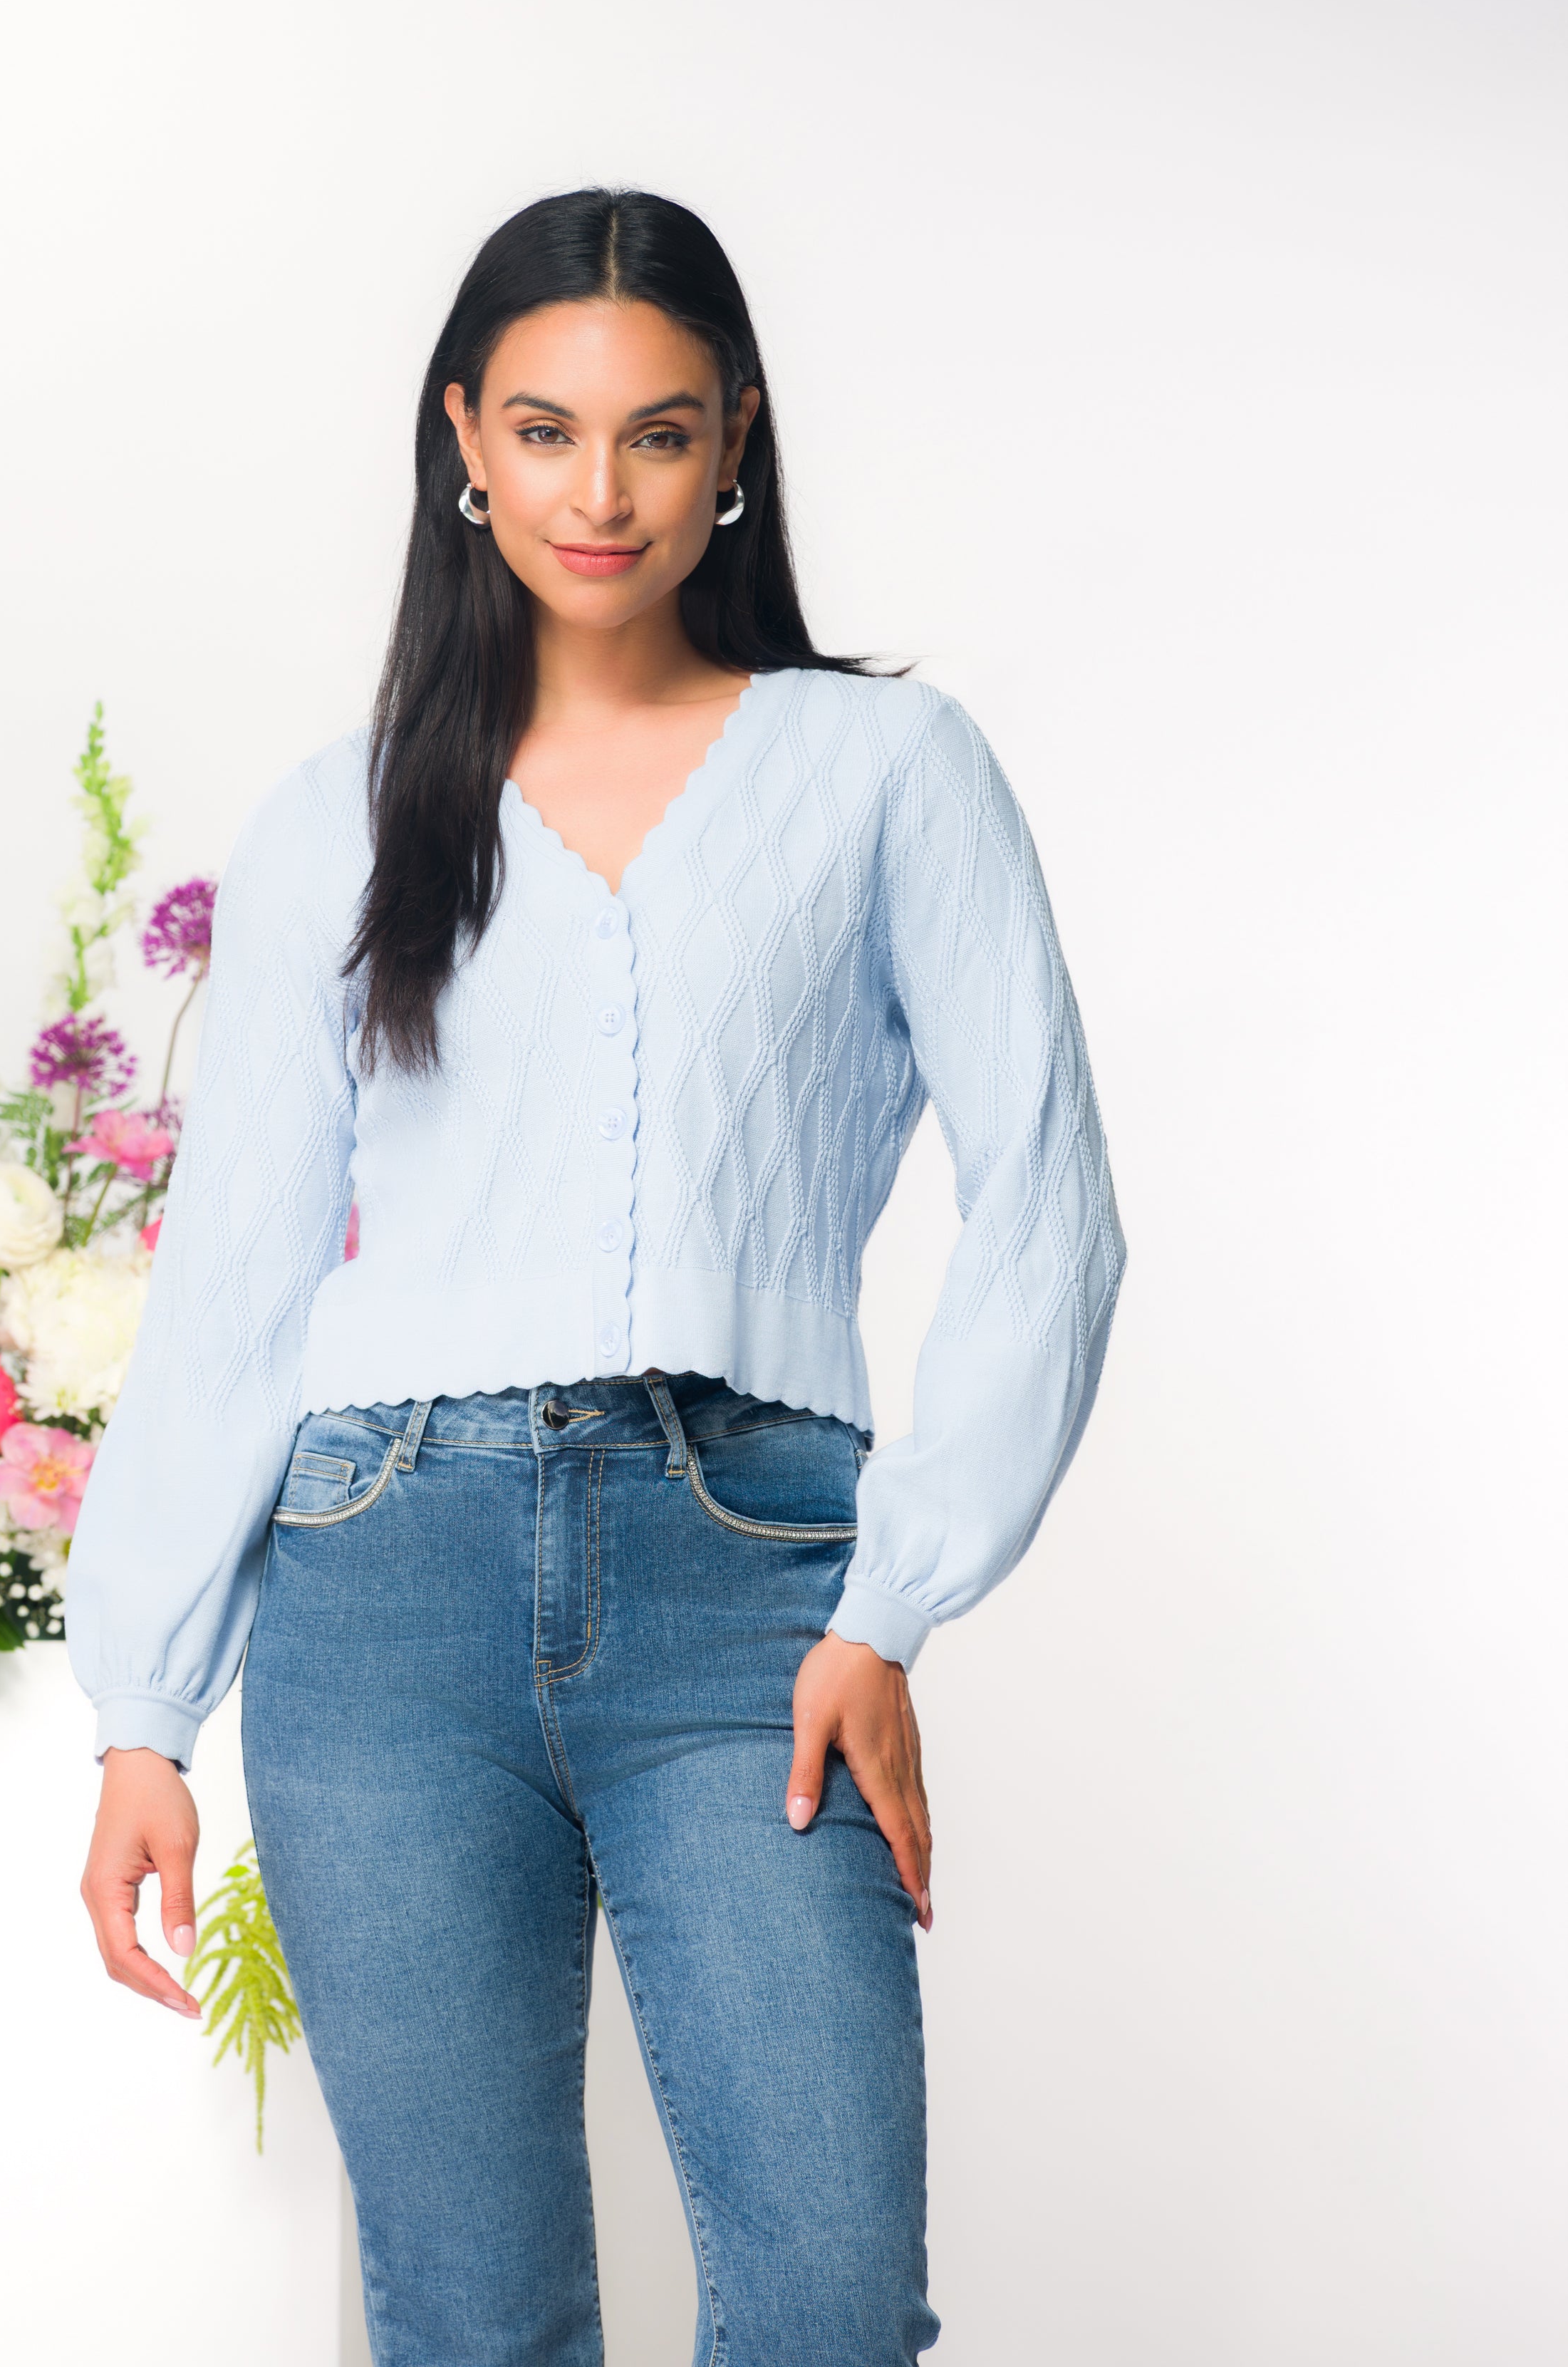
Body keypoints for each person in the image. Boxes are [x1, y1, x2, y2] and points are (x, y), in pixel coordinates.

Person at [68, 187, 1124, 2366]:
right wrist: (144, 1712)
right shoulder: (340, 818)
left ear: (735, 443)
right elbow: (235, 1279)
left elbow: (1050, 1205)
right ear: (464, 438)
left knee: (828, 2301)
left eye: (656, 433)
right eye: (545, 430)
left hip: (751, 1573)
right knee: (468, 2316)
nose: (598, 489)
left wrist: (888, 1595)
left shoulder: (884, 772)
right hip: (378, 1591)